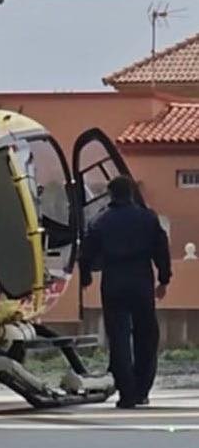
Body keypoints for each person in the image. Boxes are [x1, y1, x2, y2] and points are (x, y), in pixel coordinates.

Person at [79, 175, 172, 409]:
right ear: (131, 193)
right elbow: (162, 249)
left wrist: (86, 276)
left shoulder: (101, 220)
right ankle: (142, 390)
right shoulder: (148, 218)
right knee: (146, 336)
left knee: (118, 339)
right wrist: (163, 280)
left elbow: (86, 251)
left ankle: (127, 394)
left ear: (111, 194)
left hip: (114, 282)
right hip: (141, 281)